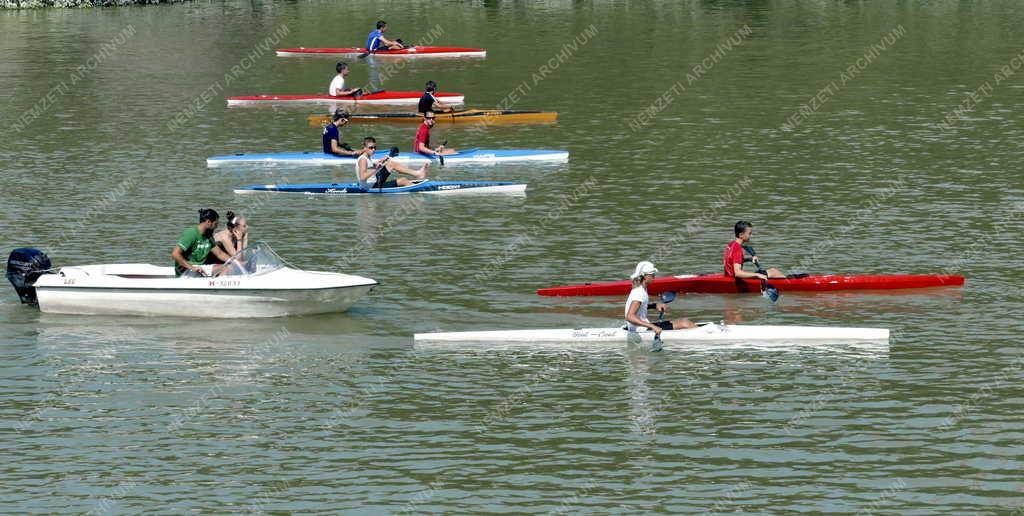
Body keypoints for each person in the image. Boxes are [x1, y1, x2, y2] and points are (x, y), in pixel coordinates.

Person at [625, 261, 695, 338]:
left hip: (641, 327)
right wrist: (652, 326)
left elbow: (639, 307)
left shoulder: (642, 289)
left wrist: (654, 305)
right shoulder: (639, 292)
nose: (654, 277)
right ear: (644, 276)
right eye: (652, 274)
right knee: (685, 323)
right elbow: (630, 317)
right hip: (639, 330)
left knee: (685, 321)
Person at [172, 209, 232, 276]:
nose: (216, 227)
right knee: (227, 269)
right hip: (186, 271)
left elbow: (219, 254)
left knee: (229, 268)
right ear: (208, 222)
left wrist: (235, 262)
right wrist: (192, 267)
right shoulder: (191, 234)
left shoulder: (208, 236)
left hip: (200, 268)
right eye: (215, 224)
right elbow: (175, 254)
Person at [356, 137, 429, 188]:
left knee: (390, 163)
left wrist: (380, 161)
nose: (373, 149)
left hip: (373, 181)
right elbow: (362, 177)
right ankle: (418, 187)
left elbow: (369, 167)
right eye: (371, 148)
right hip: (371, 186)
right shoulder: (363, 160)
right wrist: (376, 169)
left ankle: (418, 173)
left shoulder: (366, 157)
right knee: (403, 181)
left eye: (375, 147)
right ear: (365, 148)